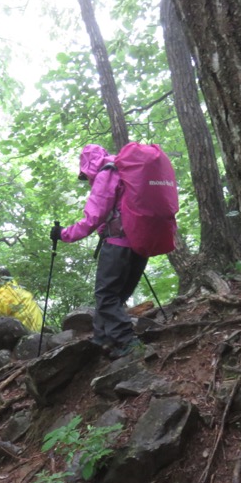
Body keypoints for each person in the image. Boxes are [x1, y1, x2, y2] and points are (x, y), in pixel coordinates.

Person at [50, 144, 146, 359]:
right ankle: (102, 340)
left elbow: (93, 217)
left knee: (106, 296)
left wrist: (63, 233)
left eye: (85, 173)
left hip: (118, 244)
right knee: (117, 295)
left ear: (87, 165)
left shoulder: (107, 173)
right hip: (141, 242)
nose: (86, 178)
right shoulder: (127, 170)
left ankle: (128, 343)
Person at [0, 267, 43, 332]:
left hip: (26, 330)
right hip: (39, 327)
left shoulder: (4, 292)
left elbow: (2, 315)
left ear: (1, 278)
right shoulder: (19, 289)